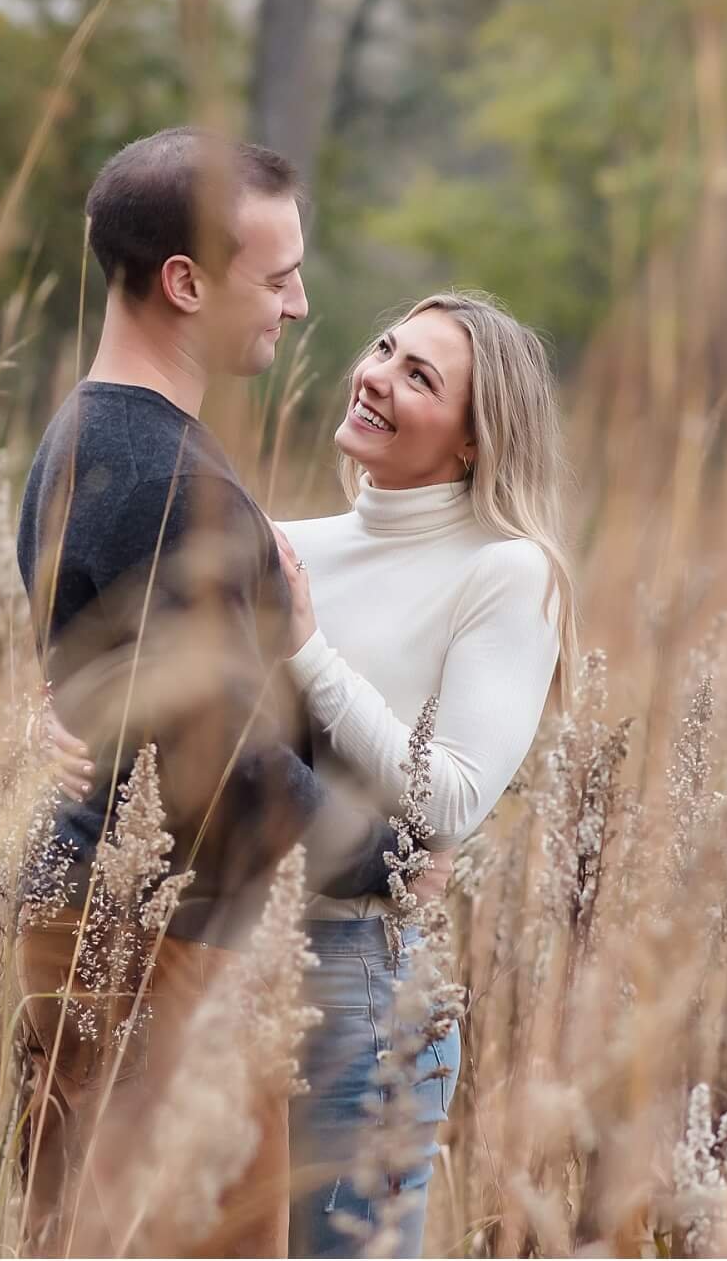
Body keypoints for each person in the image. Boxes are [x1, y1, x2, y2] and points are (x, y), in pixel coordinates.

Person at [13, 126, 426, 1258]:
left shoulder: (86, 437)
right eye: (278, 277)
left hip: (104, 920)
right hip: (159, 946)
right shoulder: (163, 476)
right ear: (185, 282)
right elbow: (217, 760)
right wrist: (392, 861)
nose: (297, 307)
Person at [272, 291, 575, 1258]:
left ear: (476, 440)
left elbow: (451, 793)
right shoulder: (287, 546)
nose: (377, 377)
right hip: (234, 963)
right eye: (384, 349)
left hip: (366, 986)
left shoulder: (509, 571)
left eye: (420, 377)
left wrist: (308, 649)